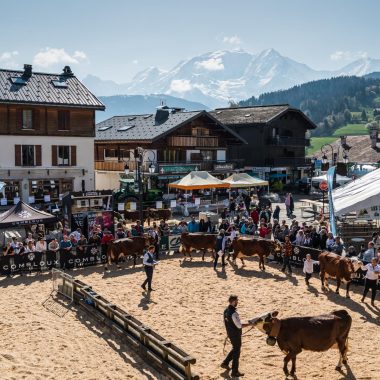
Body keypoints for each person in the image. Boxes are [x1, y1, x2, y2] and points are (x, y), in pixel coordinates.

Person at [221, 295, 251, 377]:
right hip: (236, 335)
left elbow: (226, 323)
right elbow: (239, 326)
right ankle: (235, 371)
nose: (237, 302)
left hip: (230, 334)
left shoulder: (225, 310)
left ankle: (225, 363)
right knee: (237, 352)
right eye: (237, 301)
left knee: (235, 348)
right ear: (233, 301)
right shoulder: (234, 313)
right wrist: (250, 324)